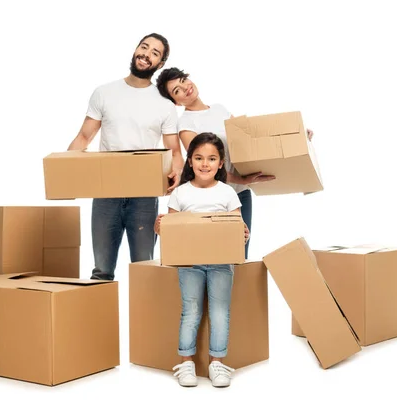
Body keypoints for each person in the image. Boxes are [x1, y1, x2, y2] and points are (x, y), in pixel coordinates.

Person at [156, 67, 314, 259]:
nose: (185, 87)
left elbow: (248, 139)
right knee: (215, 256)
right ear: (176, 102)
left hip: (240, 193)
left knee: (240, 252)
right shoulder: (186, 124)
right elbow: (202, 166)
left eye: (183, 80)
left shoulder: (219, 109)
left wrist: (295, 137)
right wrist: (240, 178)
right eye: (177, 90)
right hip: (213, 196)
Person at [67, 34, 184, 281]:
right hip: (106, 191)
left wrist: (178, 173)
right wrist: (65, 168)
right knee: (101, 270)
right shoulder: (104, 93)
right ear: (135, 50)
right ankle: (98, 319)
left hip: (144, 195)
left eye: (155, 52)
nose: (146, 54)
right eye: (144, 47)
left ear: (160, 63)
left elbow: (174, 151)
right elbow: (84, 137)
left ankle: (145, 320)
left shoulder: (164, 104)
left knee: (145, 270)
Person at [155, 132, 249, 388]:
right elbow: (168, 230)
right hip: (189, 263)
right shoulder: (181, 194)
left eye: (211, 159)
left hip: (221, 263)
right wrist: (159, 226)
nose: (204, 164)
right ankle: (187, 363)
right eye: (198, 158)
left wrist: (242, 233)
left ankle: (217, 364)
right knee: (191, 311)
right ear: (189, 161)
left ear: (221, 164)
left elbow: (238, 228)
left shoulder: (228, 192)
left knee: (219, 312)